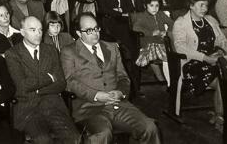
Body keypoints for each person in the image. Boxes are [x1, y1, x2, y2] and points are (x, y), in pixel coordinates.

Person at [61, 13, 160, 144]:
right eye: (89, 30)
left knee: (150, 127)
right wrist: (96, 95)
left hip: (118, 104)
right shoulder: (69, 51)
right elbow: (69, 82)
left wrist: (120, 92)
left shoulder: (112, 47)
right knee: (102, 134)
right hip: (89, 108)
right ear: (79, 33)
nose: (95, 33)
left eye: (96, 28)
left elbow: (123, 77)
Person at [5, 16, 79, 144]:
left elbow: (61, 83)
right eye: (33, 30)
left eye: (40, 30)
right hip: (29, 110)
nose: (38, 33)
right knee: (43, 140)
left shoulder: (51, 50)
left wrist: (37, 90)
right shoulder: (12, 54)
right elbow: (22, 86)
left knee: (74, 138)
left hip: (53, 106)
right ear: (22, 32)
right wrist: (49, 77)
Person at [171, 0, 227, 127]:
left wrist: (220, 51)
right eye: (201, 5)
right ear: (191, 5)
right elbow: (180, 48)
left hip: (214, 60)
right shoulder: (181, 23)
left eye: (206, 5)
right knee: (222, 79)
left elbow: (223, 40)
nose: (205, 9)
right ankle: (220, 117)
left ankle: (225, 113)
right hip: (193, 64)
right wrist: (205, 58)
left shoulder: (211, 20)